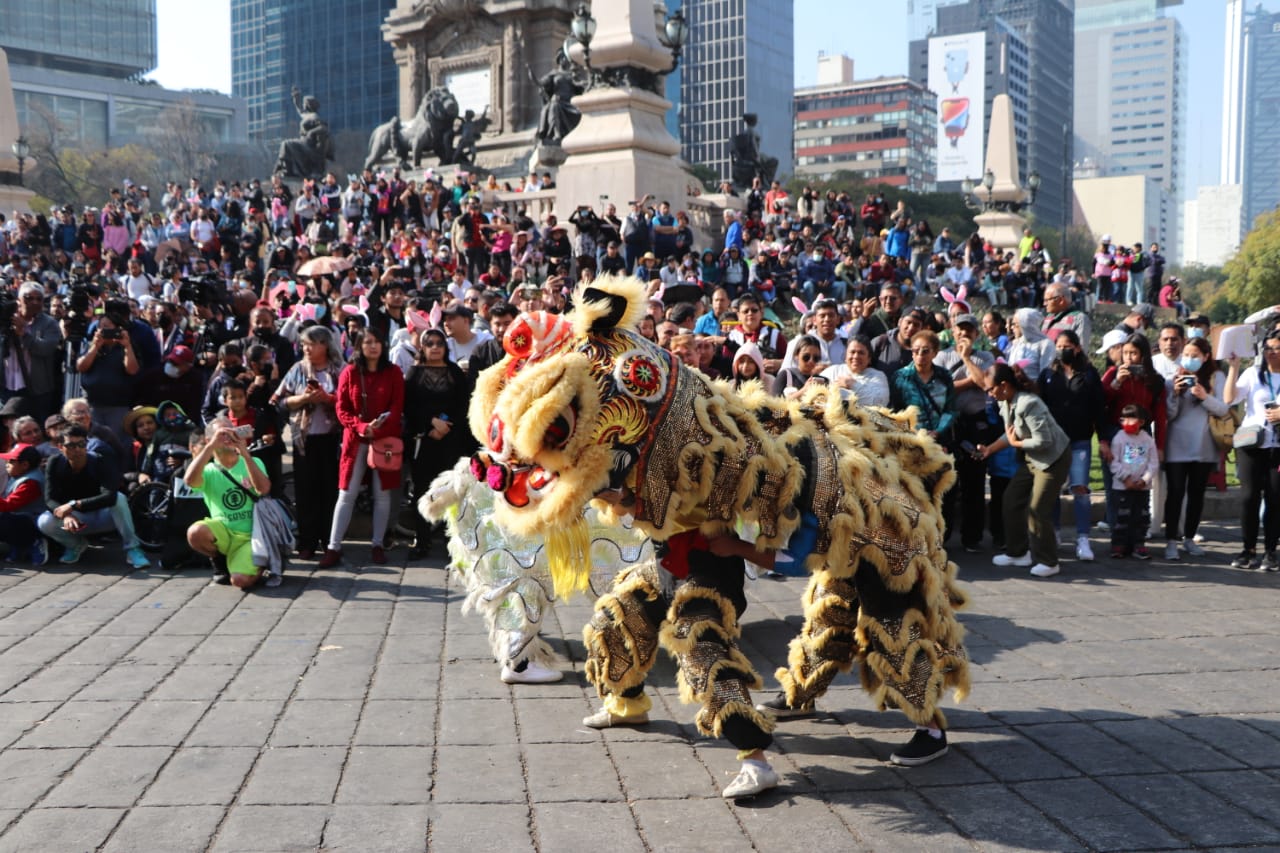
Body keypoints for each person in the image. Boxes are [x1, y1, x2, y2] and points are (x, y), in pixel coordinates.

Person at [320, 327, 405, 568]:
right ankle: (333, 546)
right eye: (368, 342)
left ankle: (377, 544)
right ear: (359, 346)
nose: (373, 346)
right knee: (346, 493)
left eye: (377, 341)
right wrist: (360, 426)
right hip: (356, 440)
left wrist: (377, 429)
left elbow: (397, 407)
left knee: (382, 494)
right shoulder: (349, 372)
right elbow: (341, 408)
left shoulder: (394, 372)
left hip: (385, 439)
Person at [980, 363, 1071, 578]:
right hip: (1032, 459)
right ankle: (1018, 553)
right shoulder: (1005, 402)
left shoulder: (1029, 403)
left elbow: (1044, 441)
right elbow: (1011, 434)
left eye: (990, 389)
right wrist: (990, 449)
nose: (989, 394)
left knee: (1037, 508)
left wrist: (1015, 444)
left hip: (1053, 459)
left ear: (1003, 386)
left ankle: (1049, 562)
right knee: (1011, 499)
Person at [270, 326, 342, 560]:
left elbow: (348, 403)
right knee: (305, 490)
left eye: (312, 344)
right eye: (303, 345)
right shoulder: (298, 369)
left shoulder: (338, 370)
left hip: (332, 439)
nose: (307, 349)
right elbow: (279, 401)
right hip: (304, 440)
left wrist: (327, 399)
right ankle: (307, 540)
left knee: (329, 490)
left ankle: (329, 539)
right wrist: (304, 399)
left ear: (325, 345)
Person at [38, 425, 151, 568]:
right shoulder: (54, 463)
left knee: (119, 498)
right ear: (61, 447)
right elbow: (49, 499)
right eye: (71, 445)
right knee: (44, 521)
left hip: (104, 518)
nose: (77, 449)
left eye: (81, 444)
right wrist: (66, 515)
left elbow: (109, 496)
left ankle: (133, 548)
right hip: (76, 521)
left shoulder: (100, 461)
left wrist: (73, 505)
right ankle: (75, 546)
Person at [1037, 330, 1107, 562]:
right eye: (1059, 345)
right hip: (1055, 441)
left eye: (1067, 345)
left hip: (1080, 440)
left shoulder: (1089, 374)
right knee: (1054, 488)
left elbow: (1099, 407)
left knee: (1080, 489)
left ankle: (1083, 538)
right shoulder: (1048, 373)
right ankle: (1055, 533)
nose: (1062, 349)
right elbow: (1041, 404)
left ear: (1077, 348)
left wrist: (1103, 437)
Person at [404, 328, 474, 556]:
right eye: (430, 343)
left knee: (450, 490)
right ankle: (422, 539)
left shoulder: (454, 371)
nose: (435, 347)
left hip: (451, 441)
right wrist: (430, 425)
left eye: (439, 343)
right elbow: (409, 406)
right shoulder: (414, 373)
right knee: (422, 490)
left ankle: (451, 542)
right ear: (422, 347)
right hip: (423, 441)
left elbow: (463, 404)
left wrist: (445, 427)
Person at [185, 419, 273, 588]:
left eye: (232, 432)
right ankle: (222, 560)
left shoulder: (253, 462)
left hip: (252, 536)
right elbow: (189, 481)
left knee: (239, 581)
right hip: (224, 534)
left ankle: (262, 562)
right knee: (195, 532)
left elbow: (263, 489)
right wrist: (210, 447)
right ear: (209, 439)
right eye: (222, 434)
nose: (228, 438)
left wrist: (244, 452)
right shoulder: (209, 470)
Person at [1163, 336, 1227, 561]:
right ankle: (1171, 540)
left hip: (1204, 445)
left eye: (1195, 356)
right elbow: (1169, 415)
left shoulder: (1216, 377)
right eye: (1187, 355)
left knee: (1197, 494)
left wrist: (1204, 396)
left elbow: (1223, 409)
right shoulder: (1173, 379)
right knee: (1176, 492)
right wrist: (1176, 394)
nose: (1190, 360)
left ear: (1206, 356)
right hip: (1177, 445)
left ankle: (1189, 537)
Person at [1223, 332, 1280, 571]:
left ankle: (1271, 551)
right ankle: (1248, 549)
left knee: (1275, 498)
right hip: (1252, 443)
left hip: (1277, 447)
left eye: (1277, 348)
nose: (1271, 352)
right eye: (1268, 348)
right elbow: (1229, 398)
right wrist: (1234, 368)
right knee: (1249, 497)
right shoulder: (1253, 374)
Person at [1108, 404, 1159, 560]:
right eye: (1124, 419)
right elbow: (1113, 462)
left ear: (1141, 422)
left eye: (1132, 418)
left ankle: (1139, 545)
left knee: (1141, 517)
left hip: (1142, 488)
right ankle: (1118, 545)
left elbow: (1153, 462)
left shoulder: (1148, 440)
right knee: (1121, 516)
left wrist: (1144, 480)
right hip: (1122, 487)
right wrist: (1125, 478)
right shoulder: (1119, 438)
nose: (1127, 422)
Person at [890, 330, 955, 445]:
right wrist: (913, 432)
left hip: (939, 442)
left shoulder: (944, 377)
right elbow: (894, 413)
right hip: (910, 441)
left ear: (935, 353)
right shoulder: (900, 377)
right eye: (915, 350)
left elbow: (950, 410)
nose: (920, 355)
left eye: (925, 351)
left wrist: (937, 432)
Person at [0, 443, 48, 566]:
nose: (7, 464)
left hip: (32, 523)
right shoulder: (17, 475)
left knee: (5, 521)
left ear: (25, 465)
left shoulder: (31, 482)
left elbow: (9, 505)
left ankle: (34, 543)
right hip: (18, 517)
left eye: (11, 461)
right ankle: (18, 545)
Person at [820, 334, 889, 408]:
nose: (856, 356)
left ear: (869, 358)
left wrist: (854, 385)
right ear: (845, 356)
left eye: (861, 353)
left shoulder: (878, 376)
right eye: (852, 352)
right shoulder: (833, 371)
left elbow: (880, 401)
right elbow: (815, 392)